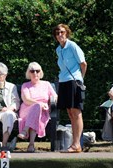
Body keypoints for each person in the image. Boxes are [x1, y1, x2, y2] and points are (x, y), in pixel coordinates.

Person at [52, 23, 87, 153]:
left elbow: (83, 64)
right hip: (63, 81)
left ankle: (77, 144)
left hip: (74, 81)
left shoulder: (72, 46)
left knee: (76, 112)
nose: (60, 35)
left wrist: (81, 79)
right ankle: (74, 144)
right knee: (70, 113)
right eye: (57, 33)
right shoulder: (58, 49)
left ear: (67, 33)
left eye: (62, 32)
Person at [17, 62, 57, 152]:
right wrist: (40, 104)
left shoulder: (46, 84)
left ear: (40, 72)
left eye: (37, 71)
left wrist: (50, 102)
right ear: (29, 73)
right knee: (37, 107)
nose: (35, 73)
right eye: (32, 71)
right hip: (27, 109)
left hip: (42, 111)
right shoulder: (25, 85)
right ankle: (31, 145)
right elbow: (26, 100)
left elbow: (55, 97)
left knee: (37, 113)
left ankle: (25, 131)